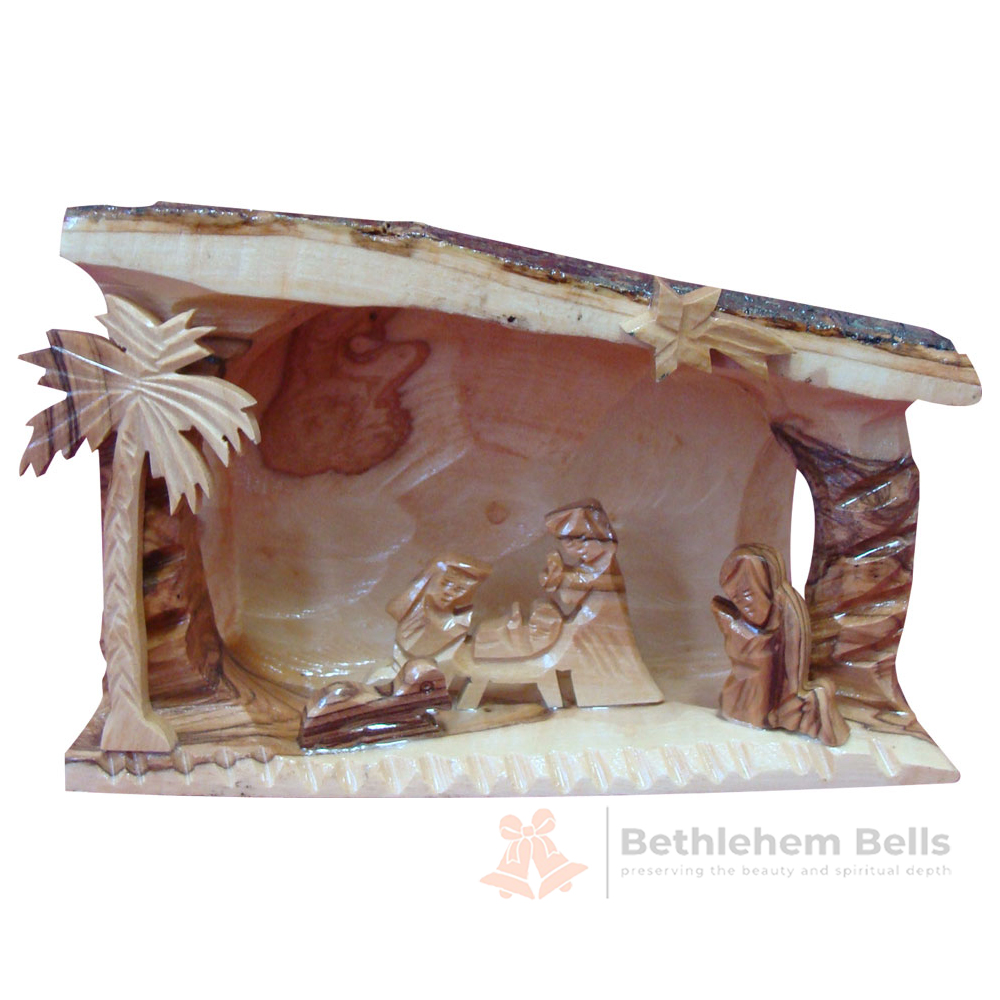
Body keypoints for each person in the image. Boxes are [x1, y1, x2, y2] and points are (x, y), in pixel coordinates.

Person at [711, 544, 848, 746]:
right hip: (747, 696)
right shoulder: (750, 624)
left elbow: (792, 667)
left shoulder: (786, 613)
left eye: (747, 595)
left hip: (761, 696)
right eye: (735, 598)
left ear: (766, 588)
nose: (743, 605)